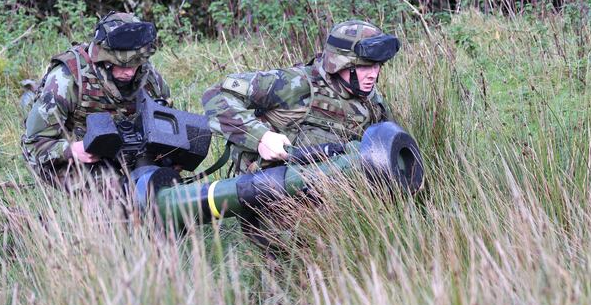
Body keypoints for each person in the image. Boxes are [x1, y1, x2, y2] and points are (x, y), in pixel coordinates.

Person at [202, 19, 399, 175]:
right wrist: (261, 137)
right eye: (364, 66)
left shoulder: (372, 101)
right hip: (270, 193)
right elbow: (216, 94)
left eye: (377, 65)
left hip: (333, 195)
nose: (373, 73)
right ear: (340, 63)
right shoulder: (294, 84)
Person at [21, 11, 171, 190]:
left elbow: (168, 127)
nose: (130, 72)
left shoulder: (149, 78)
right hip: (76, 158)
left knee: (166, 185)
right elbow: (33, 144)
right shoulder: (66, 79)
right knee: (115, 195)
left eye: (136, 63)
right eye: (122, 65)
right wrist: (72, 150)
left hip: (131, 155)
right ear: (104, 59)